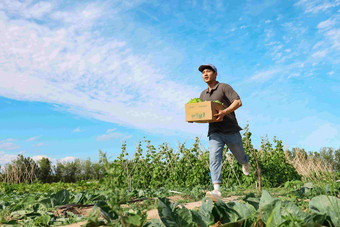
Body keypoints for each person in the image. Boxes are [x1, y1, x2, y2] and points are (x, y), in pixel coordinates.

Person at [197, 64, 250, 200]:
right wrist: (194, 118)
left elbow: (238, 102)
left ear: (215, 74)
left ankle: (244, 162)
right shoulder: (203, 94)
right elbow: (201, 113)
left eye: (208, 71)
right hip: (215, 131)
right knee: (214, 157)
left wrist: (224, 112)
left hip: (230, 129)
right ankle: (217, 190)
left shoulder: (224, 87)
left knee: (239, 155)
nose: (205, 74)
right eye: (203, 72)